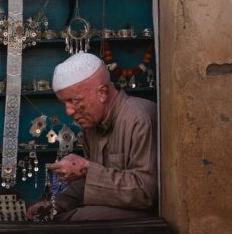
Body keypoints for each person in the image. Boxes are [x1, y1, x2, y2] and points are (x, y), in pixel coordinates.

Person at [26, 52, 158, 221]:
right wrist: (55, 204)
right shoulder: (91, 126)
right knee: (51, 215)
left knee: (78, 220)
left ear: (102, 92)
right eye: (64, 103)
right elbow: (88, 184)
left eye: (74, 101)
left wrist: (87, 168)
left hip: (145, 214)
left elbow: (145, 193)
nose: (68, 111)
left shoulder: (139, 118)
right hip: (114, 209)